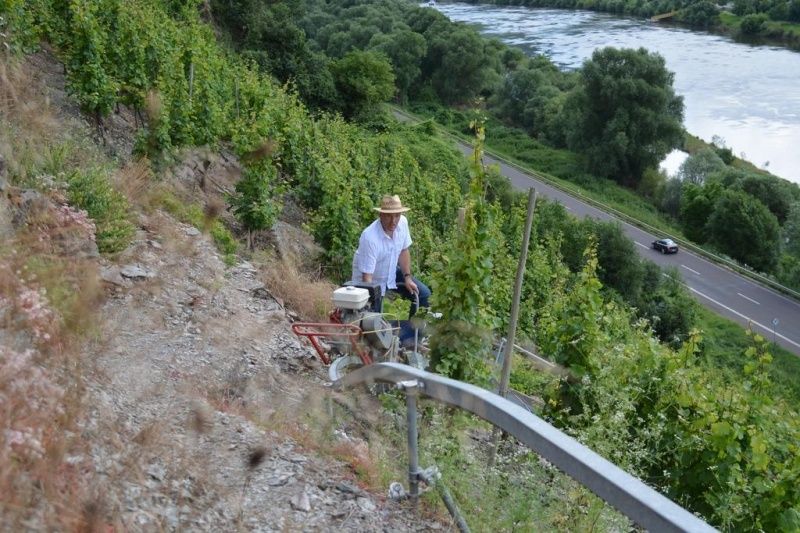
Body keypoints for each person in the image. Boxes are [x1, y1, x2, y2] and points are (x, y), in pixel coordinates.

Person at [351, 195, 431, 318]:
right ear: (381, 215)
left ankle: (407, 334)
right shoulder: (370, 238)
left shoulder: (403, 223)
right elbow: (367, 278)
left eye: (397, 216)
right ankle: (384, 331)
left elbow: (404, 250)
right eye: (389, 216)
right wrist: (372, 302)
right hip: (370, 282)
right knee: (373, 323)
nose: (393, 221)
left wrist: (407, 277)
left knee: (424, 294)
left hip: (390, 272)